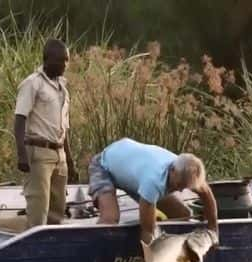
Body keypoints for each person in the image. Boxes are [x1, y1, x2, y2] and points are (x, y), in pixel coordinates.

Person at [88, 138, 219, 245]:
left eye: (184, 187)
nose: (179, 190)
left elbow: (207, 196)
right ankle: (91, 252)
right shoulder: (153, 181)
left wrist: (213, 232)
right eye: (178, 185)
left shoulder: (190, 172)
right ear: (172, 170)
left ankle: (175, 252)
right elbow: (147, 232)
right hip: (105, 165)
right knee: (111, 218)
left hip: (132, 167)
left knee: (183, 214)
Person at [14, 38, 77, 228]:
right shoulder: (33, 84)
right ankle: (33, 247)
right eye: (61, 60)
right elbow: (19, 119)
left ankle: (54, 248)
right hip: (39, 153)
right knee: (38, 207)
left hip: (59, 154)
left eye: (67, 60)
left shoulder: (63, 89)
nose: (65, 65)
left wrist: (70, 161)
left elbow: (63, 128)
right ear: (47, 59)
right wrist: (21, 154)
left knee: (58, 209)